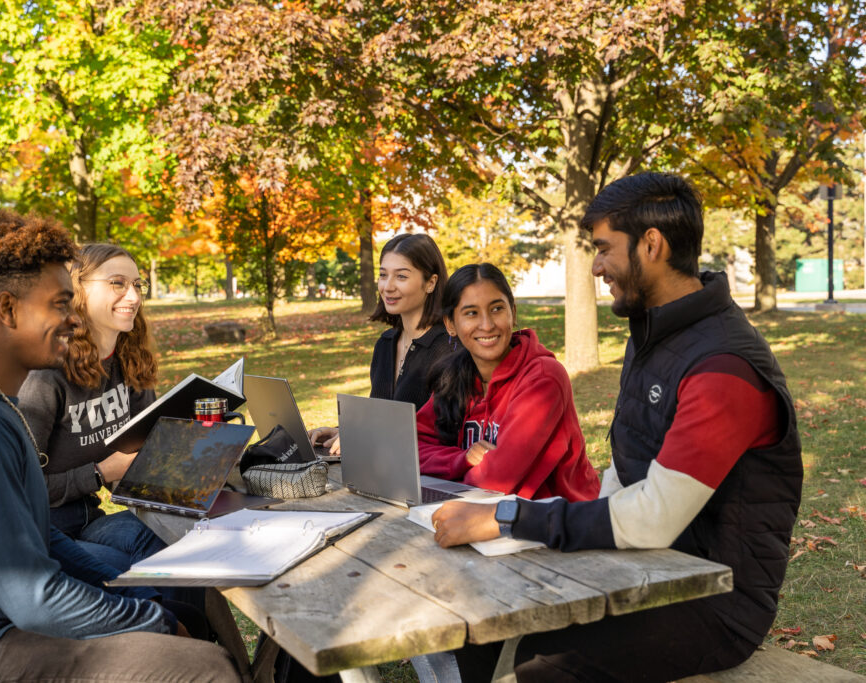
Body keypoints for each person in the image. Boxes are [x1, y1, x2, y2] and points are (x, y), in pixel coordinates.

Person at [430, 173, 802, 682]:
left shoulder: (723, 365)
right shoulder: (653, 335)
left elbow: (652, 517)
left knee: (540, 669)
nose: (597, 265)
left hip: (716, 600)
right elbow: (625, 477)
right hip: (648, 567)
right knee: (502, 616)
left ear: (651, 245)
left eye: (604, 248)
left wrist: (511, 518)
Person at [0, 211, 239, 683]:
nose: (73, 318)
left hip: (0, 628)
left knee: (180, 615)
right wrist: (156, 621)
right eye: (61, 304)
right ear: (7, 310)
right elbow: (35, 599)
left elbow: (41, 542)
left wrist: (140, 603)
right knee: (203, 668)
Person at [18, 243, 165, 571]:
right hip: (36, 533)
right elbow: (15, 487)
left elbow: (140, 461)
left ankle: (190, 625)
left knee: (174, 536)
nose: (133, 297)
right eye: (117, 283)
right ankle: (163, 620)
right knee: (133, 564)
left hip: (90, 520)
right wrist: (99, 473)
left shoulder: (130, 362)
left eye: (137, 285)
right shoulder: (45, 376)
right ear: (77, 290)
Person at [417, 263, 601, 500]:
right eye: (471, 313)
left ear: (513, 313)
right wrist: (461, 459)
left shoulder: (543, 378)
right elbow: (410, 448)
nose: (487, 324)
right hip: (488, 514)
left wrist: (443, 479)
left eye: (496, 309)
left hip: (557, 524)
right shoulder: (456, 375)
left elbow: (496, 481)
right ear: (450, 324)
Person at [309, 233, 452, 454]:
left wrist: (364, 435)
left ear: (430, 283)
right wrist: (343, 431)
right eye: (383, 275)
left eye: (401, 277)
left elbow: (443, 433)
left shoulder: (448, 348)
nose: (387, 286)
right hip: (383, 469)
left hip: (426, 475)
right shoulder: (385, 344)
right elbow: (381, 420)